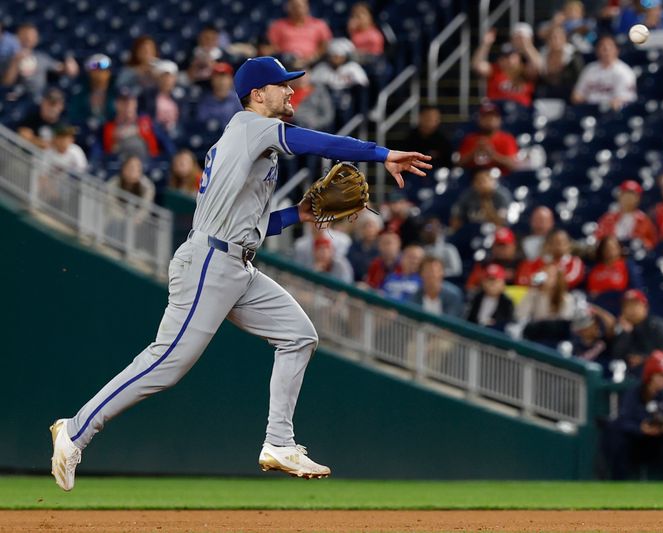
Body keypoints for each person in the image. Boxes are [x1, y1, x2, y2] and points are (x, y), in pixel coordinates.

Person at [49, 56, 431, 489]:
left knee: (298, 336)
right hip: (210, 263)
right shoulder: (251, 126)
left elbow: (254, 226)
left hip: (235, 261)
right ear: (258, 94)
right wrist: (381, 154)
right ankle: (76, 430)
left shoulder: (250, 144)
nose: (290, 91)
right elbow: (316, 142)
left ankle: (279, 442)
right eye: (282, 85)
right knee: (166, 363)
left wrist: (300, 214)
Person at [608, 350, 663, 480]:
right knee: (619, 440)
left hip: (657, 440)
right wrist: (641, 428)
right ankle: (618, 483)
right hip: (636, 439)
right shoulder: (634, 392)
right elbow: (623, 421)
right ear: (650, 375)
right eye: (660, 375)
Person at [610, 289, 663, 375]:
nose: (631, 310)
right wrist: (625, 334)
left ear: (646, 307)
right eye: (627, 306)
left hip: (660, 376)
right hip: (632, 379)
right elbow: (616, 358)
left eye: (635, 305)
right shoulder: (621, 330)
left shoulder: (661, 327)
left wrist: (645, 359)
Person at [1, 22, 78, 100]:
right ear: (17, 37)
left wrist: (68, 67)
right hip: (15, 100)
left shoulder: (41, 57)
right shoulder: (6, 58)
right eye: (24, 37)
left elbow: (59, 68)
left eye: (31, 37)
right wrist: (15, 62)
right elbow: (6, 84)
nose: (27, 40)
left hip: (37, 99)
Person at [471, 28, 536, 108]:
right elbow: (477, 65)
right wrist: (485, 44)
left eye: (512, 56)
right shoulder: (494, 70)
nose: (508, 60)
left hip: (521, 113)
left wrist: (527, 46)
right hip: (497, 112)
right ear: (500, 60)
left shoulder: (526, 71)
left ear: (518, 57)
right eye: (505, 57)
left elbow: (539, 67)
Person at [101, 87, 168, 163]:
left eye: (131, 101)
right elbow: (106, 152)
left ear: (135, 103)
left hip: (147, 164)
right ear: (117, 104)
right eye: (124, 101)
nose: (128, 104)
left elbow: (165, 145)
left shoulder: (147, 122)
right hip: (120, 165)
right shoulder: (109, 126)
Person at [571, 35, 636, 111]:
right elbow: (576, 96)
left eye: (609, 46)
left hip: (611, 112)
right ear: (597, 50)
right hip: (589, 109)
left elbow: (622, 101)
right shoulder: (590, 69)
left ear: (617, 50)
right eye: (603, 46)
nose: (606, 49)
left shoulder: (624, 71)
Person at [516, 265, 577, 342]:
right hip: (534, 336)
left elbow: (564, 325)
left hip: (554, 338)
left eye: (551, 275)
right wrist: (532, 289)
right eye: (545, 274)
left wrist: (543, 325)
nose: (547, 278)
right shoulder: (534, 294)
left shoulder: (566, 299)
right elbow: (520, 315)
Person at [266, 0, 333, 67]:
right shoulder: (278, 25)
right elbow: (272, 46)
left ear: (307, 7)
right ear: (288, 8)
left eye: (301, 6)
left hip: (313, 64)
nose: (298, 9)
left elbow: (325, 45)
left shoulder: (319, 24)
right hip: (285, 63)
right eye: (295, 6)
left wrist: (313, 57)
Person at [458, 102, 519, 175]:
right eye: (485, 117)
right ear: (480, 120)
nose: (490, 120)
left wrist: (492, 154)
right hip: (473, 178)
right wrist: (474, 152)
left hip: (501, 179)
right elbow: (459, 164)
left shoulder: (507, 139)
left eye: (493, 117)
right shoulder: (470, 139)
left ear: (499, 120)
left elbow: (513, 166)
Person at [595, 180, 658, 250]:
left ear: (638, 198)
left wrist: (642, 243)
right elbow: (598, 238)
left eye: (632, 195)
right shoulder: (608, 218)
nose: (628, 198)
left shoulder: (644, 220)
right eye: (625, 194)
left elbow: (652, 243)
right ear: (620, 196)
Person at [515, 228, 585, 290]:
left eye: (563, 242)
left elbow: (570, 280)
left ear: (569, 244)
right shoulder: (538, 262)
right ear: (548, 245)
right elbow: (523, 281)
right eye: (557, 242)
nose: (560, 246)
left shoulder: (575, 262)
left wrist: (543, 278)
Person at [532, 26, 584, 101]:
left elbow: (579, 77)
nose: (555, 40)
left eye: (558, 37)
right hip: (547, 91)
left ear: (565, 38)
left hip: (567, 91)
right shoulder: (543, 53)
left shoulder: (574, 55)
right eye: (552, 38)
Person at [398, 105, 453, 171]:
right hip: (413, 175)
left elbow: (448, 163)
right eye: (430, 118)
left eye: (436, 118)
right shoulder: (410, 138)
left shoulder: (443, 140)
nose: (434, 121)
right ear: (421, 117)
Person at [67, 54, 116, 126]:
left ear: (109, 72)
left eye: (102, 70)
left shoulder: (117, 93)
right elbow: (73, 117)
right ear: (89, 73)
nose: (99, 73)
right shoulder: (79, 94)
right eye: (95, 70)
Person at [466, 264, 515, 330]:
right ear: (483, 282)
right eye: (489, 281)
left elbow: (507, 323)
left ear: (503, 283)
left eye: (496, 281)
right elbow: (469, 318)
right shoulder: (476, 297)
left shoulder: (507, 302)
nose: (492, 285)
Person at [347, 210, 383, 282]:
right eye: (365, 226)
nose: (369, 229)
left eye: (372, 226)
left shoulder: (381, 248)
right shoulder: (354, 246)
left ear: (378, 228)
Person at [148, 60, 181, 135]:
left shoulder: (181, 97)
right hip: (155, 132)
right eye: (164, 77)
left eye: (170, 77)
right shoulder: (149, 95)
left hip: (176, 132)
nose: (167, 80)